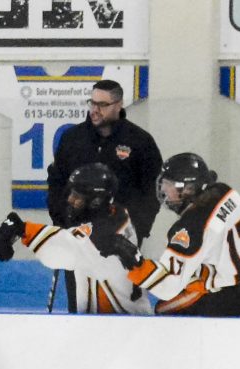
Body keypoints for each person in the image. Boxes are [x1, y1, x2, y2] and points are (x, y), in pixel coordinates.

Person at [46, 79, 162, 311]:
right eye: (92, 102)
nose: (95, 109)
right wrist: (62, 222)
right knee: (80, 302)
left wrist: (137, 231)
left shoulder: (140, 142)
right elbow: (56, 182)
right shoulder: (72, 139)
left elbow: (152, 192)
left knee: (120, 303)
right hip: (77, 237)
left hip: (120, 240)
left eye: (102, 104)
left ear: (118, 105)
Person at [107, 153, 240, 316]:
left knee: (163, 309)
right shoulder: (226, 192)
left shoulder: (189, 228)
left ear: (188, 189)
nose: (163, 189)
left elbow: (168, 287)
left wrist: (135, 262)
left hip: (232, 301)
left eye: (169, 184)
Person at [0, 163, 151, 314]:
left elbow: (65, 249)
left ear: (96, 201)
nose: (70, 200)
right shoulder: (115, 214)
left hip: (122, 325)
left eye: (77, 197)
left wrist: (22, 228)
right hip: (114, 323)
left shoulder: (107, 234)